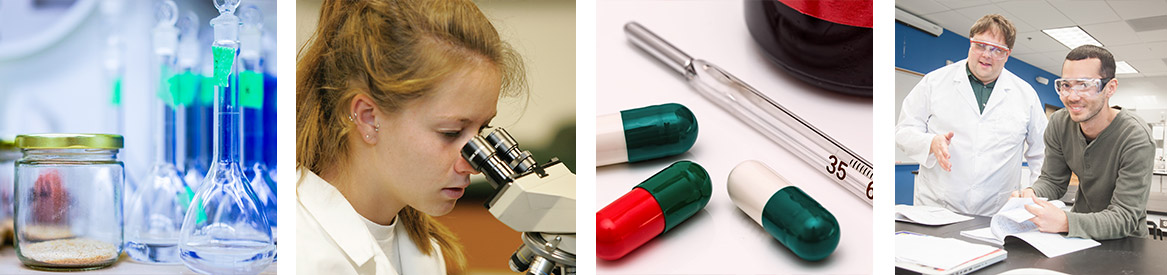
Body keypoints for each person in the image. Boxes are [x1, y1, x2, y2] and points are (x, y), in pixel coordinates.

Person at [295, 0, 526, 273]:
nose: (473, 164)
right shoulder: (300, 251)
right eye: (451, 133)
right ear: (368, 118)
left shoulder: (423, 251)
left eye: (483, 130)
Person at [896, 14, 1047, 215]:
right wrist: (930, 142)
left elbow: (1042, 151)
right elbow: (903, 131)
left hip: (997, 212)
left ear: (1007, 54)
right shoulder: (934, 82)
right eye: (981, 45)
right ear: (970, 43)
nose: (987, 55)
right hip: (937, 206)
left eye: (997, 50)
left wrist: (1035, 192)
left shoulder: (1025, 94)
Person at [1014, 45, 1153, 240]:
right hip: (1078, 237)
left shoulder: (1135, 137)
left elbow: (1125, 217)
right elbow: (1053, 181)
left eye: (1085, 85)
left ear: (1110, 88)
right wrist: (1031, 194)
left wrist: (1065, 222)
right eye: (1066, 85)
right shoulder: (1059, 123)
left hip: (1126, 243)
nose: (1072, 96)